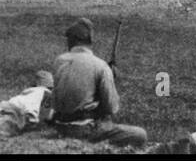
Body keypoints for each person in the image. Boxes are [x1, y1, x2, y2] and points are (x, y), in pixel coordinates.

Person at [51, 18, 147, 147]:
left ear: (72, 40)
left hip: (59, 126)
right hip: (84, 129)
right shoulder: (100, 66)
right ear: (90, 41)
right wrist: (109, 78)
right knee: (140, 134)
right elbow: (112, 108)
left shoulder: (59, 61)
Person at [0, 69, 54, 135]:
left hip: (11, 107)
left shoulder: (39, 91)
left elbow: (35, 106)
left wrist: (32, 116)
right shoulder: (46, 95)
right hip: (18, 112)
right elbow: (47, 115)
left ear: (36, 84)